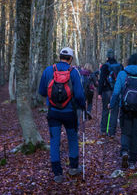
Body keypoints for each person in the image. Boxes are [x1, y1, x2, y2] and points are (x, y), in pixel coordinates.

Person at [39, 47, 85, 183]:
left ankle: (57, 173)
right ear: (70, 59)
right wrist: (82, 106)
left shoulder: (48, 70)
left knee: (54, 141)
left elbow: (42, 91)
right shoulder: (74, 72)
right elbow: (79, 95)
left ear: (60, 56)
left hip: (53, 112)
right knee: (72, 139)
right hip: (70, 113)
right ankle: (73, 168)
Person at [109, 53, 137, 169]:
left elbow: (116, 91)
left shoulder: (122, 74)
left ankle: (124, 152)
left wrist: (112, 105)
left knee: (125, 132)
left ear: (128, 63)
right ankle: (132, 161)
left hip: (125, 108)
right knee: (135, 134)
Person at [98, 49, 123, 137]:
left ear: (107, 56)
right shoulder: (120, 66)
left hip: (106, 91)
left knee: (105, 110)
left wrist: (99, 93)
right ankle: (112, 132)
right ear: (114, 56)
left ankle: (103, 130)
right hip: (116, 91)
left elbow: (101, 80)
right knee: (115, 111)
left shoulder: (104, 66)